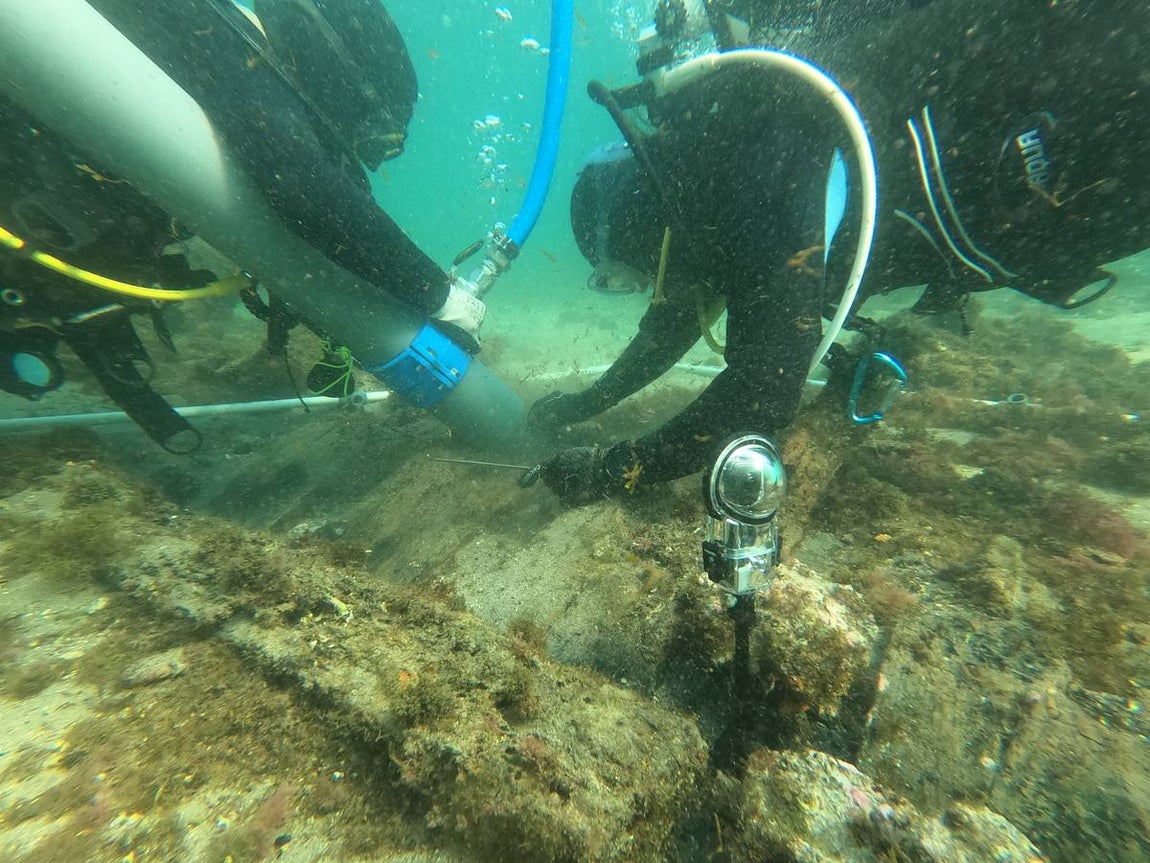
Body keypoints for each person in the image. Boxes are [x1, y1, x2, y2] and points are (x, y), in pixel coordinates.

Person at [522, 0, 1150, 504]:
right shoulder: (716, 213)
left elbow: (761, 395)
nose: (650, 291)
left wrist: (613, 471)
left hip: (1104, 99)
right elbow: (674, 326)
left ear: (642, 224)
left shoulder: (760, 155)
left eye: (627, 275)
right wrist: (586, 406)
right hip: (1083, 182)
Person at [2, 0, 486, 449]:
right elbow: (302, 183)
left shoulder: (206, 45)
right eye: (374, 132)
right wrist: (440, 298)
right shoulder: (227, 46)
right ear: (346, 76)